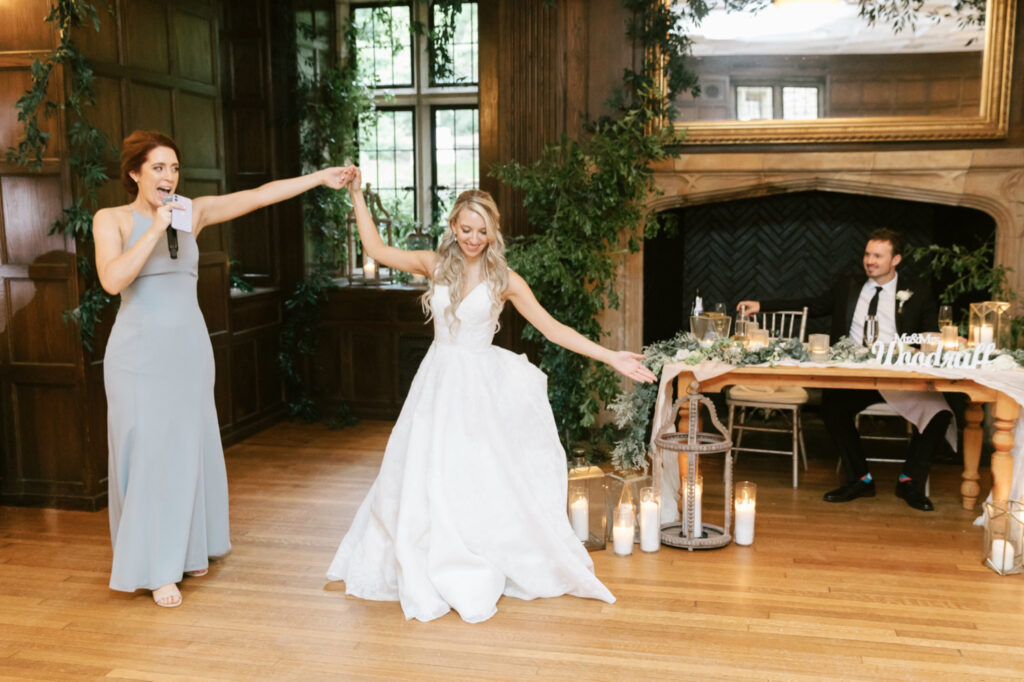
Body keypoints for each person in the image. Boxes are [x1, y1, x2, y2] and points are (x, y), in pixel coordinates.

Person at [326, 168, 656, 623]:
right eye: (466, 229)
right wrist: (358, 195)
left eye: (482, 231)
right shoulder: (434, 265)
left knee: (478, 474)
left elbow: (553, 329)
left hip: (478, 390)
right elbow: (377, 250)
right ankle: (429, 550)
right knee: (426, 471)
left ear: (493, 233)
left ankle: (479, 548)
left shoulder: (506, 279)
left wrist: (610, 356)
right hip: (437, 384)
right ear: (453, 227)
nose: (473, 239)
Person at [95, 130, 349, 607]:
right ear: (134, 173)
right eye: (158, 168)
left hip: (188, 350)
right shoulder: (110, 219)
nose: (169, 177)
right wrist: (155, 227)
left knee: (188, 448)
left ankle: (188, 547)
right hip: (137, 355)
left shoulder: (193, 212)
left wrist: (319, 178)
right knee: (148, 454)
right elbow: (112, 280)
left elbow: (255, 197)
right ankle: (156, 568)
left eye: (174, 168)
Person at [737, 228, 952, 512]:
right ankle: (860, 479)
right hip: (854, 375)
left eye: (878, 255)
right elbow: (813, 305)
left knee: (940, 413)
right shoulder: (848, 284)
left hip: (898, 376)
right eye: (867, 254)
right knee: (833, 408)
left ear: (896, 259)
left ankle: (909, 480)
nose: (870, 261)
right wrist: (763, 305)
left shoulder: (917, 292)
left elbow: (929, 333)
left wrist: (943, 340)